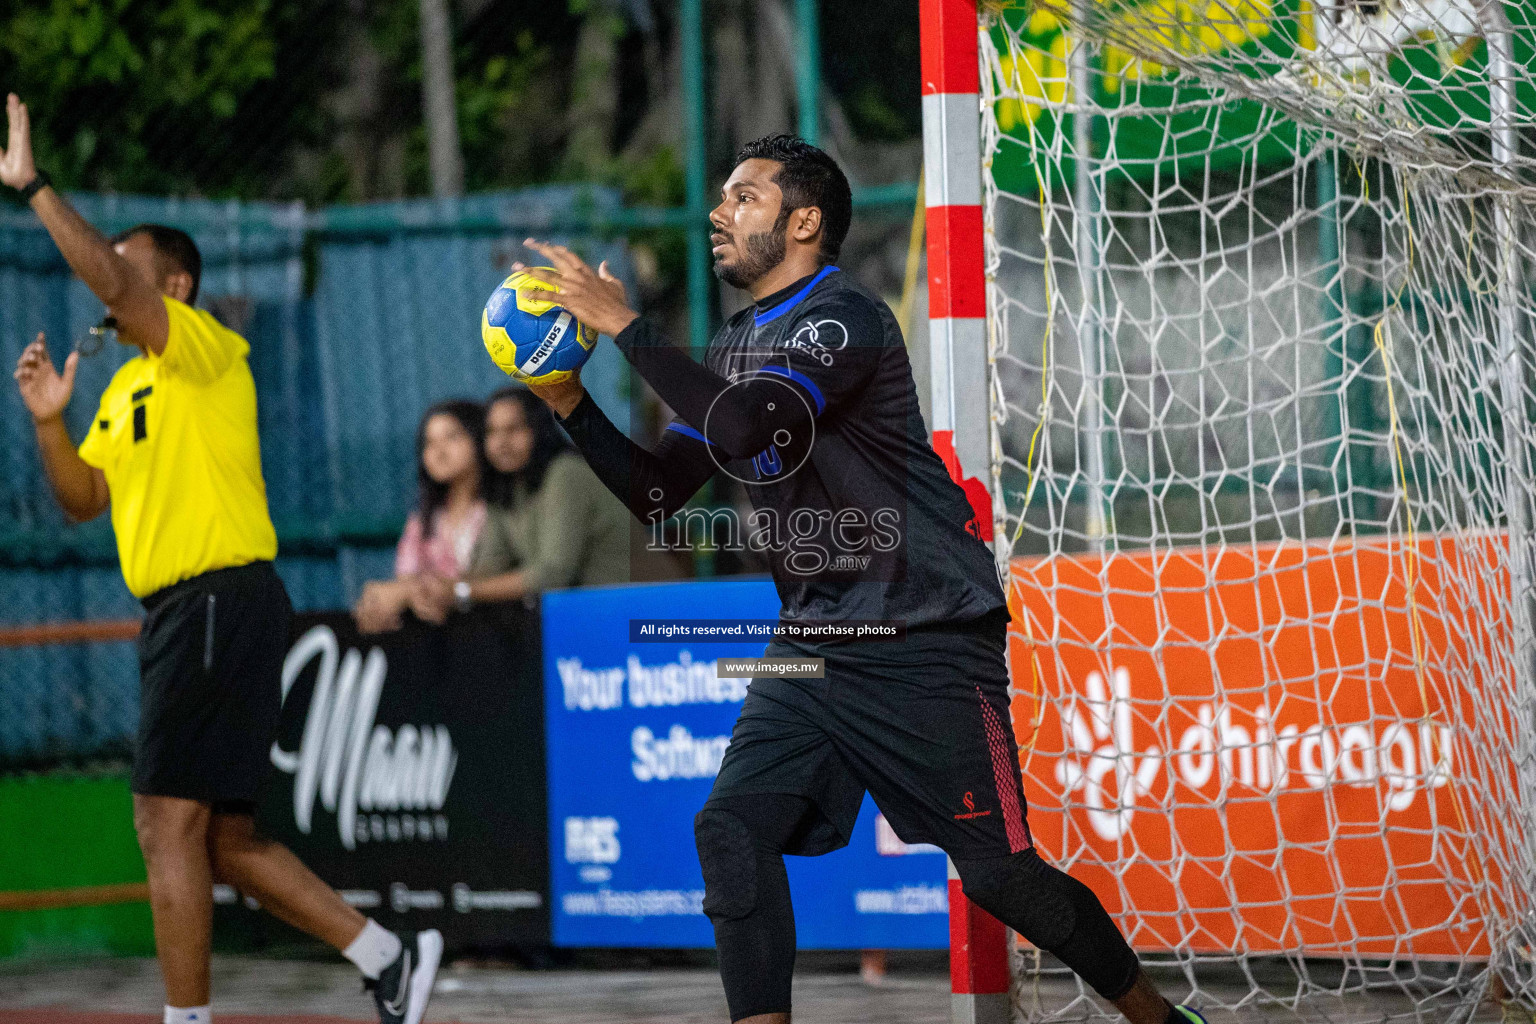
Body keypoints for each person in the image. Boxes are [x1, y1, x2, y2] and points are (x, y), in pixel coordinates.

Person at [512, 134, 1208, 1024]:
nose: (720, 213)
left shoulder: (845, 317)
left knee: (999, 874)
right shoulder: (730, 345)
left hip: (924, 630)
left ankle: (1158, 1019)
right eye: (723, 198)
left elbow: (752, 430)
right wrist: (573, 405)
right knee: (729, 828)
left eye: (745, 198)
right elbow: (659, 495)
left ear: (804, 222)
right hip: (812, 641)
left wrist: (627, 328)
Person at [2, 93, 441, 1024]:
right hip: (197, 612)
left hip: (214, 599)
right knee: (222, 837)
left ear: (177, 288)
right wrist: (50, 422)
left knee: (162, 820)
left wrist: (35, 187)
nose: (108, 280)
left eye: (127, 267)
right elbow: (82, 501)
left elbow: (117, 289)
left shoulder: (203, 352)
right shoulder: (124, 389)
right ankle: (387, 956)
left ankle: (188, 1022)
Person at [410, 387, 634, 620]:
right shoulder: (507, 485)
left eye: (514, 429)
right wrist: (435, 593)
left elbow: (554, 573)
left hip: (635, 608)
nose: (501, 442)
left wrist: (460, 591)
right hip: (579, 616)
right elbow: (489, 566)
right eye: (492, 432)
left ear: (539, 430)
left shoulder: (565, 471)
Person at [353, 400, 491, 633]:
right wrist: (405, 593)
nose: (439, 452)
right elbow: (406, 577)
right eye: (429, 443)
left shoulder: (498, 510)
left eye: (452, 437)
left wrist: (413, 591)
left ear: (480, 439)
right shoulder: (424, 519)